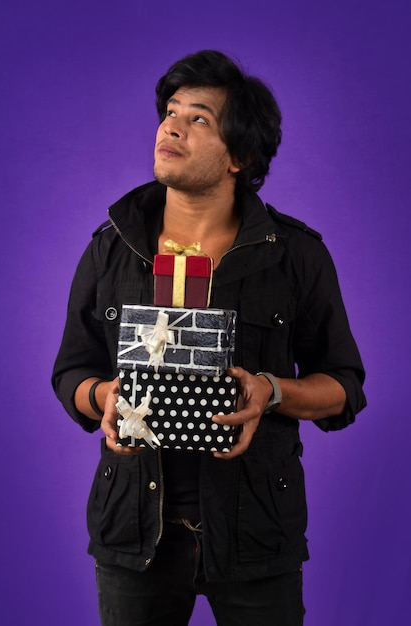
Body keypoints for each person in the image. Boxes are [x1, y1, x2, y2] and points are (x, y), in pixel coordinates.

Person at [52, 49, 366, 626]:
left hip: (255, 537)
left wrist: (272, 391)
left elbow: (344, 388)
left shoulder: (296, 256)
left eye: (200, 118)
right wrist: (104, 399)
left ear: (240, 157)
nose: (171, 125)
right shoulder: (111, 248)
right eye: (171, 111)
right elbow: (70, 372)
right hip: (133, 534)